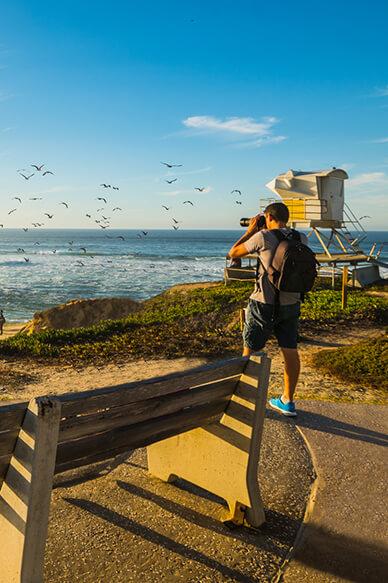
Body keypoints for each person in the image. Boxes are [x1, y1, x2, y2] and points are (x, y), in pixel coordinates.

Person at [228, 202, 309, 417]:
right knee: (290, 351)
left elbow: (233, 253)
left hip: (263, 302)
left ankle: (244, 400)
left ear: (268, 217)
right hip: (291, 303)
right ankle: (288, 401)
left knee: (250, 350)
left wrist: (250, 230)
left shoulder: (263, 236)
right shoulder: (302, 238)